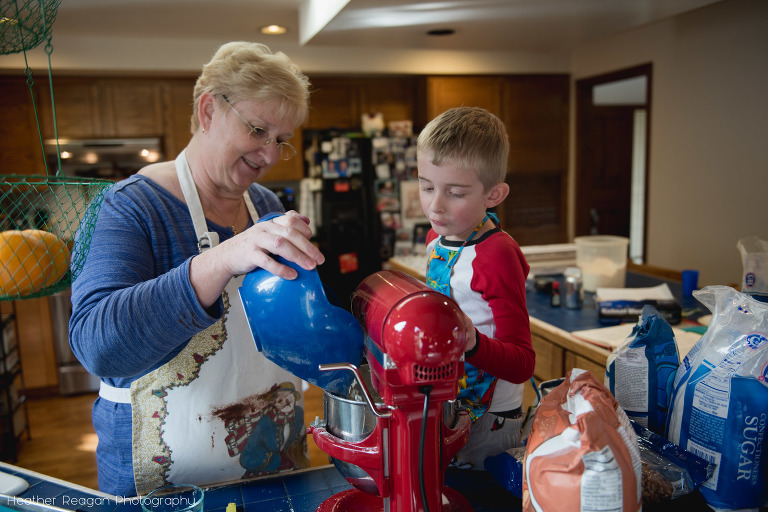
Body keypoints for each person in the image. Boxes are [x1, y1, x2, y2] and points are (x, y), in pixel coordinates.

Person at [68, 42, 324, 497]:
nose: (269, 155)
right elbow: (98, 348)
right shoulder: (130, 207)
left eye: (280, 140)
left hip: (270, 464)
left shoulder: (264, 205)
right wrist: (221, 259)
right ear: (208, 111)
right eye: (258, 130)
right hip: (163, 485)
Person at [416, 106, 535, 469]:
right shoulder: (437, 240)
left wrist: (472, 343)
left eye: (455, 193)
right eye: (426, 186)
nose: (435, 206)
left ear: (494, 194)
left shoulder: (496, 254)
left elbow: (522, 364)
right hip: (448, 402)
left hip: (490, 418)